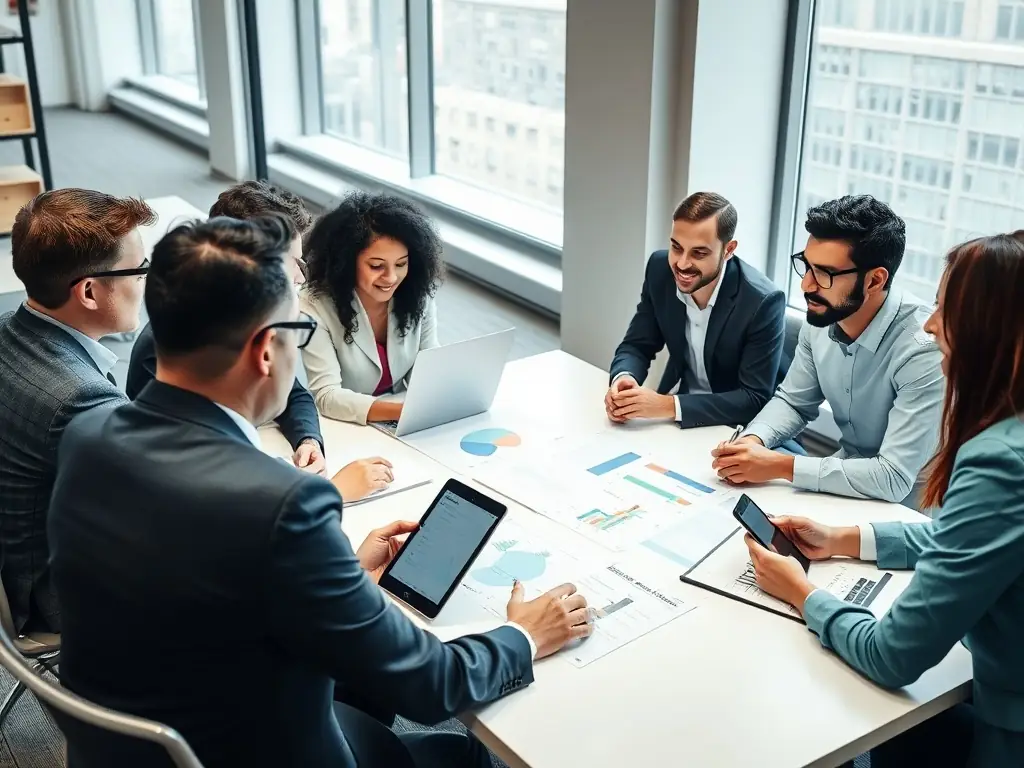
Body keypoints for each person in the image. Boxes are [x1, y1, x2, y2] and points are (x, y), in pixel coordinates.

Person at [48, 215, 591, 768]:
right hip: (248, 747)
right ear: (266, 351)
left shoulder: (88, 436)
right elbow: (431, 687)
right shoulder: (282, 505)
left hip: (126, 744)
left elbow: (194, 573)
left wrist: (341, 572)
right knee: (465, 756)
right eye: (297, 333)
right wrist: (525, 634)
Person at [742, 232, 1024, 767]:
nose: (932, 324)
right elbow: (961, 538)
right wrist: (844, 538)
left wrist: (802, 594)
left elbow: (891, 656)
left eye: (948, 307)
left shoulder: (1000, 459)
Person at [126, 181, 393, 502]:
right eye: (291, 262)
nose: (300, 277)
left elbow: (296, 394)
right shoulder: (175, 342)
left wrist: (308, 440)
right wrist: (326, 493)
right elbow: (206, 482)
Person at [711, 195, 943, 505]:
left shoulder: (924, 350)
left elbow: (894, 477)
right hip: (839, 482)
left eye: (825, 273)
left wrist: (778, 465)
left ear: (875, 280)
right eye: (806, 266)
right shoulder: (823, 315)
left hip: (910, 509)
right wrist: (753, 442)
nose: (807, 285)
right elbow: (794, 402)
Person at [0, 189, 154, 634]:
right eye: (139, 270)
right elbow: (155, 506)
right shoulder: (79, 397)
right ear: (88, 291)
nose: (146, 279)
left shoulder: (10, 328)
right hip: (51, 593)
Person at [606, 192, 788, 430]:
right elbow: (637, 345)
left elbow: (753, 398)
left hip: (741, 428)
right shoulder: (659, 269)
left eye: (699, 253)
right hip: (677, 416)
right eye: (676, 247)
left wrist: (668, 406)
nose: (682, 264)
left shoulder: (763, 301)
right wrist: (624, 379)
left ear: (728, 249)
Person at [300, 191, 443, 424]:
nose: (391, 277)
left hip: (401, 421)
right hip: (345, 425)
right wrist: (403, 411)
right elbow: (327, 396)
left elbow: (429, 369)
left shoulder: (416, 295)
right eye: (376, 266)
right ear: (345, 262)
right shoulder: (313, 306)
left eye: (401, 264)